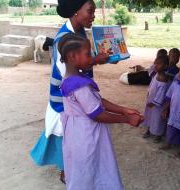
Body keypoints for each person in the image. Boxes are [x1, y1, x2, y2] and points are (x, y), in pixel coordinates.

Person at [30, 0, 108, 183]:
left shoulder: (78, 31)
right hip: (66, 99)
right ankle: (69, 172)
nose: (93, 15)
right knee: (71, 136)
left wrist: (97, 59)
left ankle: (70, 170)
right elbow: (69, 73)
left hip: (78, 94)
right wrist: (96, 60)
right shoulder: (62, 40)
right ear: (75, 12)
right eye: (90, 11)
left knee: (74, 136)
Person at [58, 33, 143, 190]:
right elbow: (97, 114)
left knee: (86, 171)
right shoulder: (80, 85)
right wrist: (126, 119)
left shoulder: (70, 78)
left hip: (77, 135)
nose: (92, 58)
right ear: (72, 56)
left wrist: (123, 109)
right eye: (88, 54)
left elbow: (97, 101)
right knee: (92, 170)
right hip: (87, 136)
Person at [142, 55, 169, 141]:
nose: (155, 65)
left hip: (157, 104)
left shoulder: (162, 78)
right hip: (151, 101)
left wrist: (154, 103)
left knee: (158, 119)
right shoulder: (156, 74)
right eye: (155, 63)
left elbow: (161, 94)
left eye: (159, 64)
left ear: (165, 66)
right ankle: (149, 130)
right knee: (150, 116)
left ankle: (158, 134)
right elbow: (152, 86)